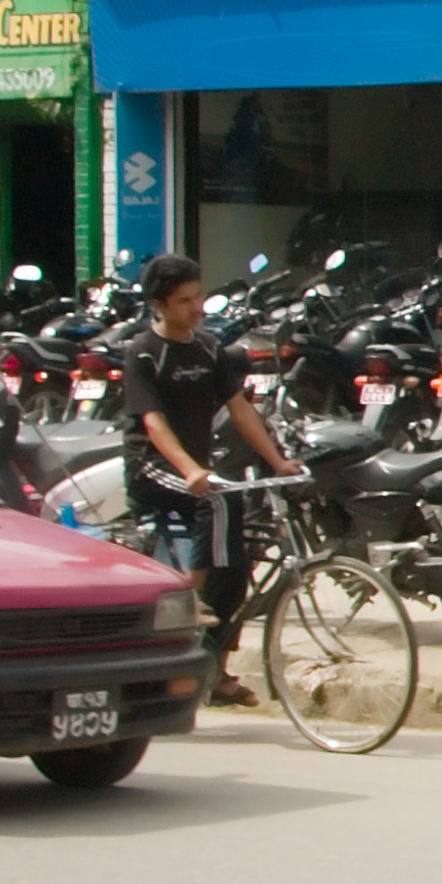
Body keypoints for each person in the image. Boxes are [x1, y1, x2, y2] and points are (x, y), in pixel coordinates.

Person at [111, 249, 292, 706]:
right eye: (184, 301)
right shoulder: (142, 353)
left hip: (199, 472)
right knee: (218, 502)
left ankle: (215, 669)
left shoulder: (210, 349)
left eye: (198, 296)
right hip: (154, 468)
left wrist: (277, 462)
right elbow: (153, 424)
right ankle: (188, 601)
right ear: (159, 305)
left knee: (239, 563)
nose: (196, 307)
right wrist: (190, 469)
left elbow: (241, 410)